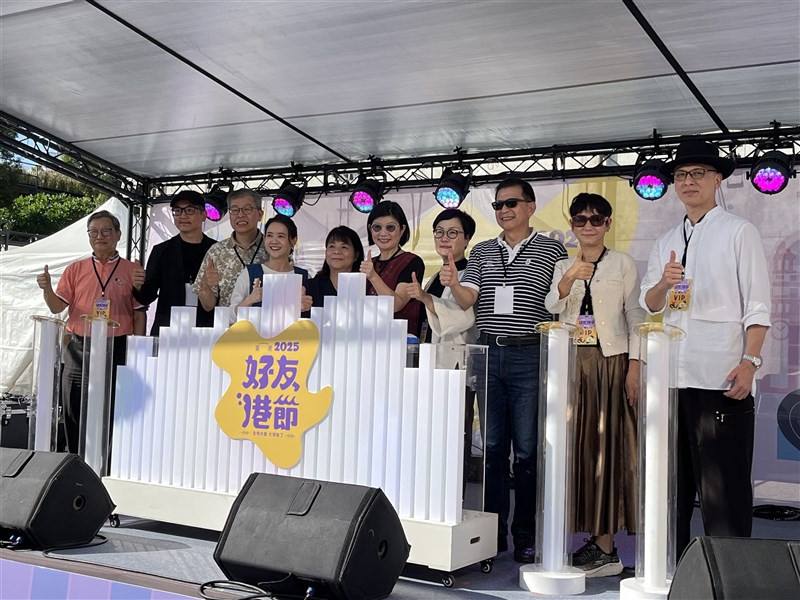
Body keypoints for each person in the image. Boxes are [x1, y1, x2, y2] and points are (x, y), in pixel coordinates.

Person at [639, 140, 771, 560]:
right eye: (681, 175)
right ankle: (672, 571)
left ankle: (729, 573)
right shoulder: (665, 240)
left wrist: (749, 363)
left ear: (717, 179)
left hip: (721, 376)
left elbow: (758, 305)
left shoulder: (739, 231)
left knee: (724, 488)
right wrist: (663, 281)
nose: (688, 182)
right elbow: (651, 303)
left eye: (698, 174)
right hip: (673, 378)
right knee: (671, 488)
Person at [446, 176, 568, 562]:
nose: (504, 211)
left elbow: (560, 303)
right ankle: (493, 533)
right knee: (494, 450)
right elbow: (469, 299)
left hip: (530, 355)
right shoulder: (481, 251)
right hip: (489, 354)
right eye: (498, 205)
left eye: (512, 203)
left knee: (528, 452)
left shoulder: (552, 250)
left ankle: (526, 534)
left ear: (531, 207)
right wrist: (452, 281)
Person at [545, 192, 644, 577]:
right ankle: (589, 540)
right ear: (571, 225)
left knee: (608, 449)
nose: (588, 226)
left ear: (608, 224)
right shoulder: (561, 264)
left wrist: (636, 365)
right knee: (577, 448)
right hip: (571, 363)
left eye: (596, 219)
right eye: (580, 219)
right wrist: (570, 276)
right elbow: (552, 308)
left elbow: (635, 314)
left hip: (610, 361)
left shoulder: (622, 263)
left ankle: (607, 545)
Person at [36, 210, 146, 453]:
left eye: (106, 231)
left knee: (114, 409)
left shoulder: (132, 270)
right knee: (74, 408)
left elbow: (139, 313)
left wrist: (138, 351)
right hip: (78, 347)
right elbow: (57, 306)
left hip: (117, 347)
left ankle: (107, 462)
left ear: (118, 235)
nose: (100, 236)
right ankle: (75, 461)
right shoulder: (75, 269)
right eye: (93, 232)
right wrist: (46, 289)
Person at [400, 208, 478, 493]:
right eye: (439, 232)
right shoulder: (436, 274)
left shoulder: (469, 273)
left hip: (456, 365)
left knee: (455, 434)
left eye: (453, 233)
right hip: (433, 362)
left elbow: (462, 318)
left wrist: (425, 298)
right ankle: (431, 491)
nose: (444, 238)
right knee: (433, 433)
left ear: (467, 238)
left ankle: (452, 495)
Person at [133, 190, 215, 335]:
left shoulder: (216, 250)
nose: (183, 216)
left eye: (189, 210)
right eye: (177, 211)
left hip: (205, 327)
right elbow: (147, 297)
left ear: (204, 215)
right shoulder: (161, 251)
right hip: (168, 328)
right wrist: (138, 286)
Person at [193, 189, 269, 310]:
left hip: (266, 324)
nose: (240, 215)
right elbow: (208, 306)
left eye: (247, 209)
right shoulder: (216, 251)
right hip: (229, 325)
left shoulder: (272, 248)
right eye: (234, 210)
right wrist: (206, 286)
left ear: (260, 214)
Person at [360, 201, 425, 336]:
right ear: (370, 229)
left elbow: (396, 304)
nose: (383, 233)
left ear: (402, 230)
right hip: (366, 338)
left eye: (390, 228)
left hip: (399, 341)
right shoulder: (369, 264)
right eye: (377, 227)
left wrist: (373, 277)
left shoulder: (412, 262)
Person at [229, 214, 312, 313]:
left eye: (281, 236)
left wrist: (306, 307)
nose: (274, 241)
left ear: (293, 240)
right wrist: (249, 300)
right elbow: (230, 316)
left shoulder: (304, 277)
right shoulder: (250, 273)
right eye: (269, 235)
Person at [307, 226, 365, 308]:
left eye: (344, 247)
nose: (337, 251)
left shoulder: (365, 286)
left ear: (356, 255)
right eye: (332, 246)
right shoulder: (310, 287)